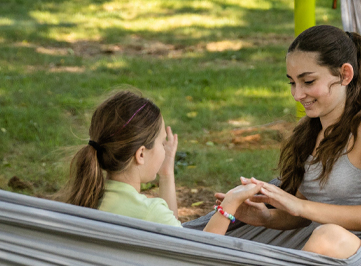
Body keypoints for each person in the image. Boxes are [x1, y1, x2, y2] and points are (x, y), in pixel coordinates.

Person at [220, 25, 361, 259]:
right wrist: (266, 216)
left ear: (345, 75)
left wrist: (299, 205)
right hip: (318, 256)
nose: (297, 95)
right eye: (292, 83)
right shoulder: (308, 131)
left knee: (328, 235)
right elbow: (304, 211)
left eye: (307, 81)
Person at [58, 90, 259, 234]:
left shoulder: (86, 200)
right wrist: (230, 204)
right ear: (141, 154)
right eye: (162, 143)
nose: (165, 149)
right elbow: (197, 255)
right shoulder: (148, 212)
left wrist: (166, 173)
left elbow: (170, 232)